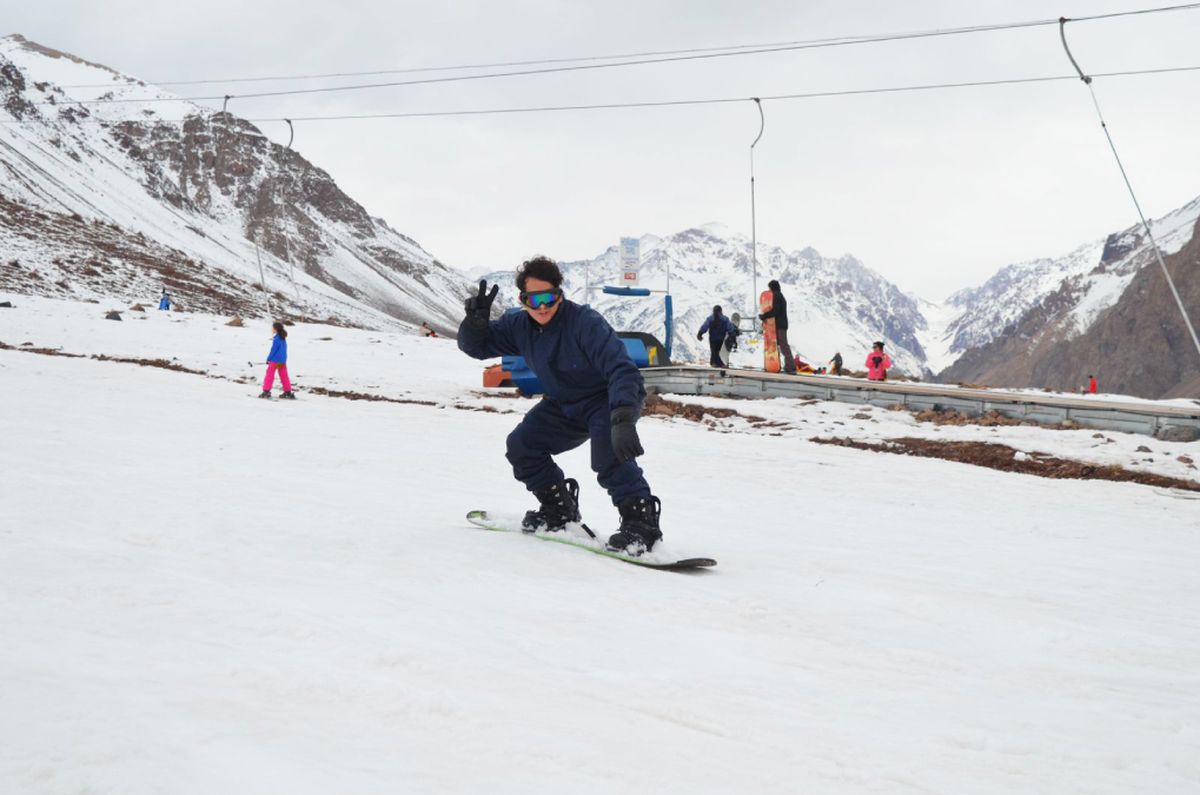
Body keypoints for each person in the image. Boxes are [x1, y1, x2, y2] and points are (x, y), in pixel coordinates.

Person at [457, 256, 662, 556]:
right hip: (561, 405)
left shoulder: (584, 323)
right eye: (533, 299)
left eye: (549, 297)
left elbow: (622, 369)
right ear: (522, 299)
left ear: (560, 294)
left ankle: (641, 524)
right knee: (521, 446)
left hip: (602, 401)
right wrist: (475, 324)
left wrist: (622, 418)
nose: (542, 307)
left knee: (609, 456)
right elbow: (476, 347)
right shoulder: (519, 324)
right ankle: (558, 508)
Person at [758, 279, 796, 374]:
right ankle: (786, 366)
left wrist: (764, 316)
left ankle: (791, 367)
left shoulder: (776, 295)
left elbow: (776, 310)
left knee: (783, 345)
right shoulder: (780, 295)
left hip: (780, 325)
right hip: (781, 324)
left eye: (769, 288)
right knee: (780, 345)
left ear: (772, 287)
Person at [259, 321, 295, 399]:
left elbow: (273, 350)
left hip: (275, 361)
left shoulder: (277, 339)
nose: (272, 329)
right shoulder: (283, 338)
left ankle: (266, 391)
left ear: (275, 329)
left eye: (272, 328)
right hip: (282, 361)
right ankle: (288, 392)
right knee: (284, 376)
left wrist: (269, 359)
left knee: (270, 375)